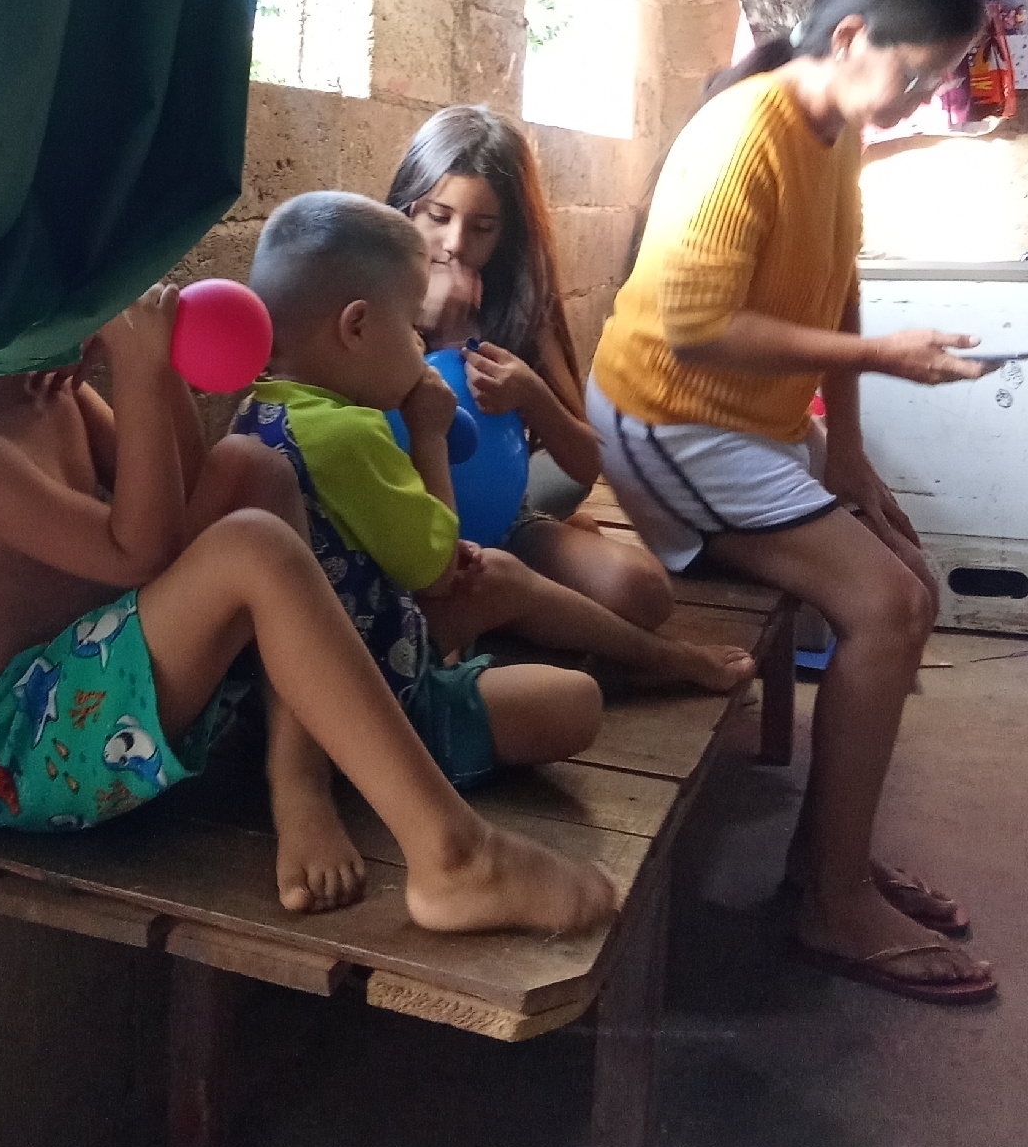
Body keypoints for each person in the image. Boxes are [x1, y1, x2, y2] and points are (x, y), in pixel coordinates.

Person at [0, 286, 615, 939]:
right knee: (251, 548)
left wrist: (160, 373)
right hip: (16, 750)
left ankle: (299, 781)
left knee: (251, 468)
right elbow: (141, 551)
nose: (96, 306)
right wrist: (136, 369)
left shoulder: (55, 399)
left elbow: (188, 499)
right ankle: (451, 854)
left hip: (100, 689)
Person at [589, 0, 999, 1005]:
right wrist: (880, 360)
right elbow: (695, 329)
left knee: (910, 578)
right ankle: (832, 902)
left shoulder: (836, 130)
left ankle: (831, 857)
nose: (921, 99)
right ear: (852, 36)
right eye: (918, 75)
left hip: (753, 422)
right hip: (667, 418)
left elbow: (837, 277)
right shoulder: (746, 134)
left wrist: (848, 447)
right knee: (887, 606)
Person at [235, 192, 757, 805]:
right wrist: (429, 435)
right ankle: (654, 661)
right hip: (367, 701)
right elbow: (437, 576)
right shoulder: (347, 435)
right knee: (576, 703)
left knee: (502, 573)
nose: (418, 346)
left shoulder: (257, 411)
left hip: (311, 668)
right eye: (410, 329)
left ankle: (660, 657)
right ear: (356, 327)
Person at [386, 104, 674, 630]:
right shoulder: (371, 289)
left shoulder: (516, 310)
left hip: (502, 520)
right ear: (407, 209)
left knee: (644, 591)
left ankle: (519, 589)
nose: (455, 244)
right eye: (438, 217)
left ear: (508, 234)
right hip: (392, 522)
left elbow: (585, 465)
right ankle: (524, 601)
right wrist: (417, 328)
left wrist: (532, 394)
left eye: (483, 227)